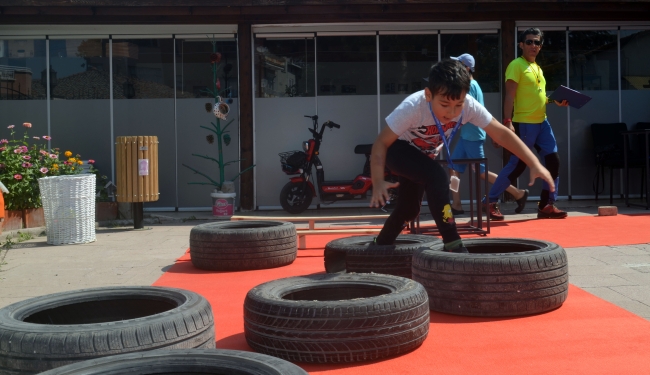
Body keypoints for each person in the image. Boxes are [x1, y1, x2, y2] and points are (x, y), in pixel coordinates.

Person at [370, 58, 555, 253]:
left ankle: (379, 246)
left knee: (410, 209)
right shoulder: (413, 107)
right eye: (444, 104)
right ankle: (452, 242)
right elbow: (381, 143)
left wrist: (533, 162)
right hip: (397, 150)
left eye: (458, 105)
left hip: (423, 157)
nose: (451, 112)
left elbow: (500, 133)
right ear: (428, 95)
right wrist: (378, 180)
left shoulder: (468, 105)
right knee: (437, 176)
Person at [485, 27, 569, 220]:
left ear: (540, 46)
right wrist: (507, 121)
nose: (533, 45)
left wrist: (553, 101)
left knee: (553, 162)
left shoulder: (537, 68)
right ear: (521, 45)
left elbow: (537, 96)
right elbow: (510, 96)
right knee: (518, 165)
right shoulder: (516, 65)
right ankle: (489, 201)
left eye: (537, 42)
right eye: (529, 42)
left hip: (542, 123)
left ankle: (546, 205)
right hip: (523, 123)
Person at [447, 53, 529, 219]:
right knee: (453, 168)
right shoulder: (470, 84)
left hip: (473, 136)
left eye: (458, 65)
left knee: (481, 172)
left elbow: (472, 112)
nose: (455, 68)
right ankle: (456, 204)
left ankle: (518, 193)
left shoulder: (471, 86)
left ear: (466, 68)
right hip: (466, 136)